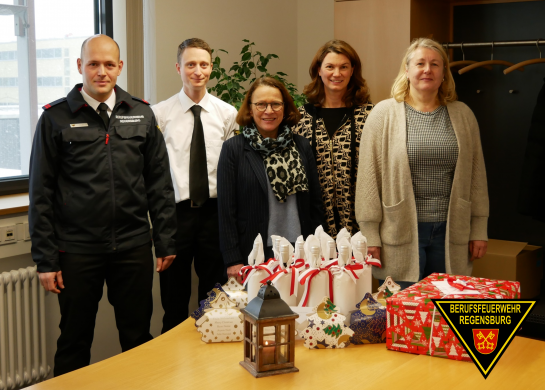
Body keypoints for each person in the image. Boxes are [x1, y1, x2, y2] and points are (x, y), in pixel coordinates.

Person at [29, 34, 176, 376]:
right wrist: (45, 259)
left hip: (133, 245)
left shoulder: (140, 114)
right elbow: (41, 193)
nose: (101, 72)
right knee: (75, 339)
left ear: (119, 67)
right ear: (80, 66)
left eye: (109, 64)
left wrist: (166, 240)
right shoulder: (54, 118)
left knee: (138, 336)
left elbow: (159, 183)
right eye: (93, 64)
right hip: (78, 249)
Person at [355, 38, 489, 289]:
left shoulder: (463, 115)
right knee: (405, 314)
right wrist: (370, 234)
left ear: (444, 73)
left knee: (446, 308)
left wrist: (479, 227)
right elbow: (367, 180)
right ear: (407, 70)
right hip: (400, 232)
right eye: (420, 63)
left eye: (435, 64)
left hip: (451, 232)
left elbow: (476, 176)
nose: (427, 69)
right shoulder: (383, 114)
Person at [152, 38, 238, 333]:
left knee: (214, 298)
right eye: (190, 64)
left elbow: (231, 170)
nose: (197, 71)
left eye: (203, 64)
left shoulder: (227, 114)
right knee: (173, 301)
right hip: (176, 216)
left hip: (214, 215)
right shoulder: (160, 114)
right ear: (178, 68)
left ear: (211, 68)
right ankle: (173, 370)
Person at [218, 77, 324, 279]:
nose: (269, 110)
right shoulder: (234, 149)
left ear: (285, 108)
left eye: (276, 104)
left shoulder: (301, 145)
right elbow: (226, 211)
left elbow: (315, 204)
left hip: (300, 250)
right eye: (261, 104)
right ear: (250, 109)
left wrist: (317, 247)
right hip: (255, 252)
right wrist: (233, 260)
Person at [292, 39, 374, 238]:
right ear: (319, 70)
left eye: (343, 67)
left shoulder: (371, 116)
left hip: (361, 224)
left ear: (353, 70)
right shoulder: (300, 118)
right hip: (314, 225)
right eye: (330, 67)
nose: (337, 74)